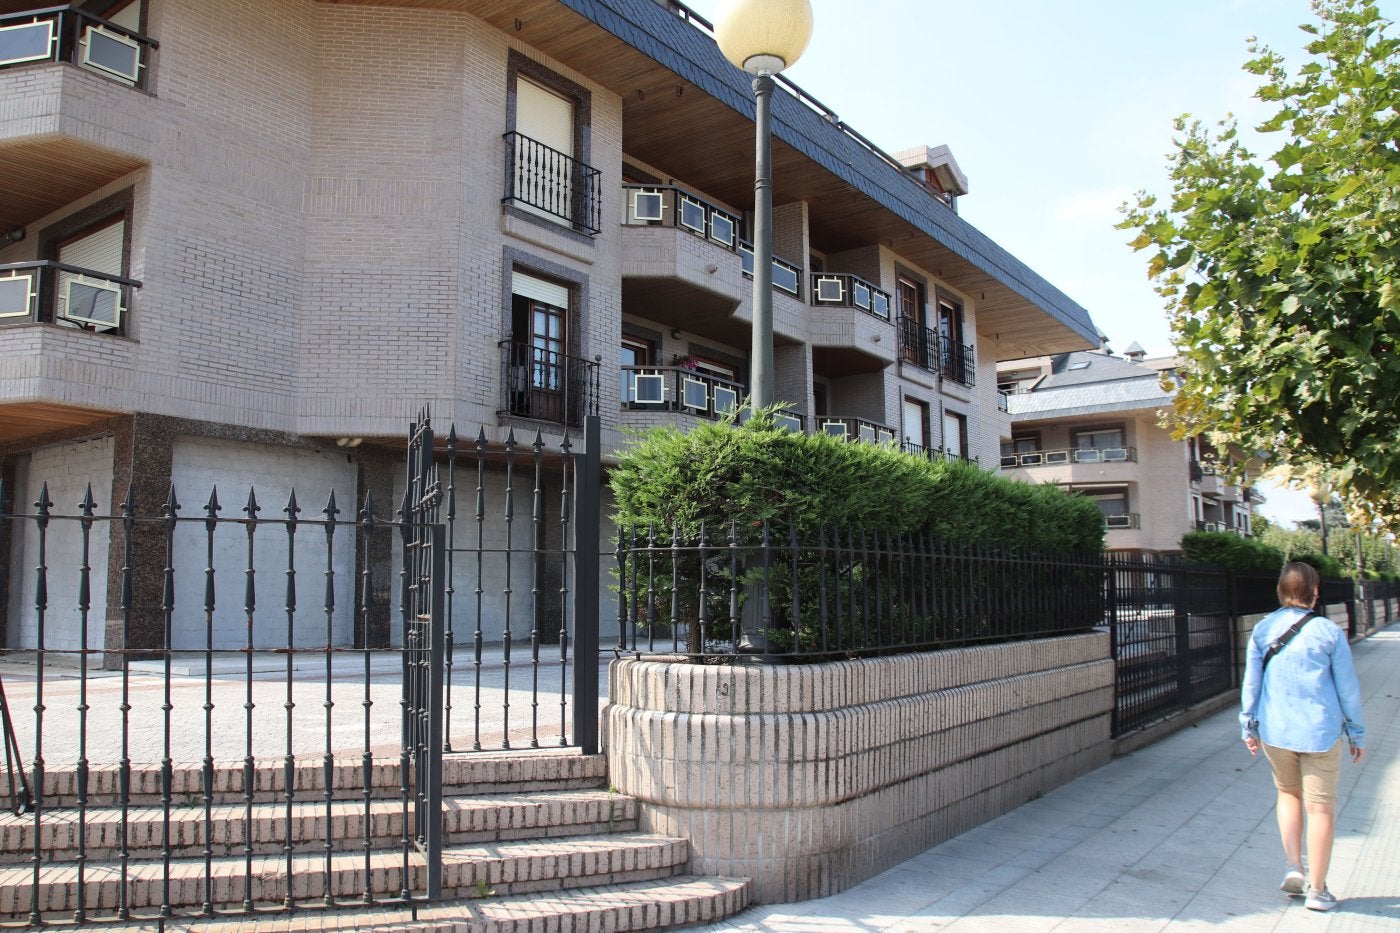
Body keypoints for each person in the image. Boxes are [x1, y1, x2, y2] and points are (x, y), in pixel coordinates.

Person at [1240, 561, 1365, 912]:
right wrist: (1356, 732)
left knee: (1287, 794)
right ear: (1315, 591)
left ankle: (1294, 865)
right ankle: (1318, 889)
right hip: (1320, 733)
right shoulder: (1328, 632)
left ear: (1281, 590)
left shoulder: (1263, 629)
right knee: (1321, 807)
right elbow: (1347, 689)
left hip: (1276, 731)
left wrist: (1248, 724)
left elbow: (1252, 683)